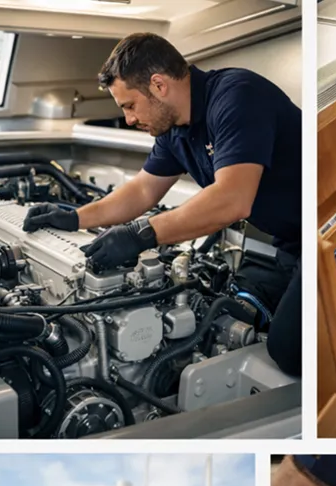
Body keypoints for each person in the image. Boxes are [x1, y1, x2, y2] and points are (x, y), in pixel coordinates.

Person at [23, 32, 301, 377]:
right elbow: (142, 191)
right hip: (291, 243)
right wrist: (74, 218)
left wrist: (142, 234)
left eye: (129, 105)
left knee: (288, 352)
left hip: (327, 229)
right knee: (222, 308)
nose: (128, 119)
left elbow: (233, 200)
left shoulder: (237, 97)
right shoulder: (174, 129)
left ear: (158, 85)